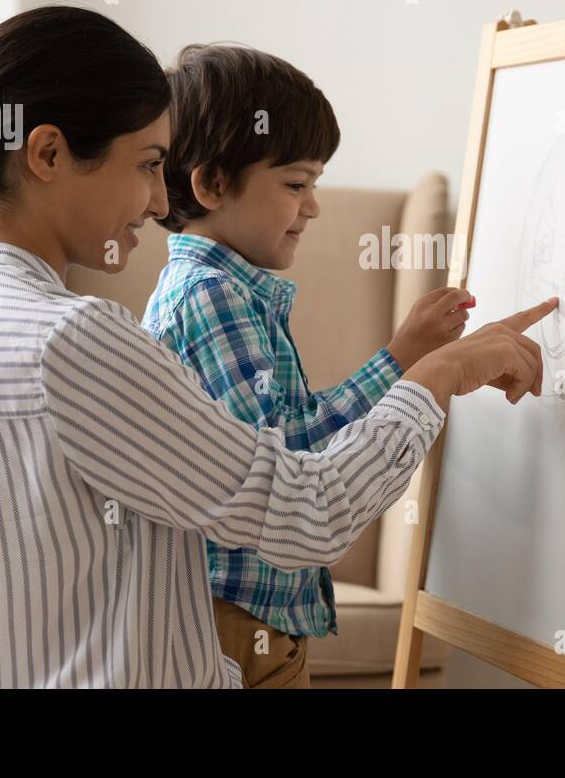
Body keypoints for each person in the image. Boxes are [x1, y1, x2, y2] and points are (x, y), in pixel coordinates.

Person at [0, 5, 556, 688]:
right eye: (147, 165)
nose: (154, 201)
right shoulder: (74, 339)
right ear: (49, 154)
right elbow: (306, 513)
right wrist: (436, 376)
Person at [142, 43, 473, 688]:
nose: (314, 207)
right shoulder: (210, 299)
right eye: (297, 184)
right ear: (211, 184)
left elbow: (285, 434)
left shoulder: (226, 291)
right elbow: (294, 464)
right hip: (237, 625)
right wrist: (404, 364)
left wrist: (402, 353)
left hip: (250, 619)